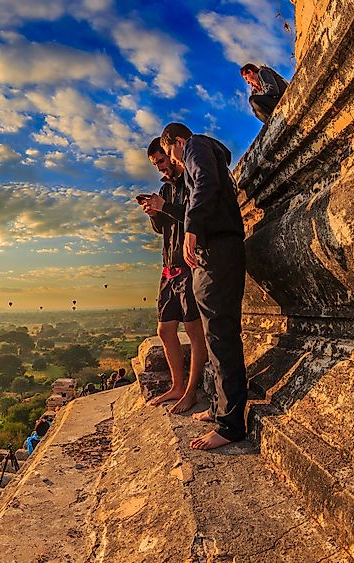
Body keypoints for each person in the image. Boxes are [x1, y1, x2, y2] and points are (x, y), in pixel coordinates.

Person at [160, 122, 247, 451]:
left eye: (171, 154)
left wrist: (192, 228)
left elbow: (205, 184)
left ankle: (231, 424)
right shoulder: (206, 153)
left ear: (178, 142)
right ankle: (220, 407)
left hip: (218, 248)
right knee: (214, 334)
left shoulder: (195, 145)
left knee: (221, 334)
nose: (176, 163)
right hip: (217, 250)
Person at [140, 138, 208, 414]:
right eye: (156, 164)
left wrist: (164, 206)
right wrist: (155, 212)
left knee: (193, 330)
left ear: (170, 155)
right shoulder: (165, 189)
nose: (160, 168)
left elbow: (194, 216)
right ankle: (177, 385)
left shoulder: (190, 183)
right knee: (165, 329)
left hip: (189, 265)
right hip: (169, 268)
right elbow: (163, 228)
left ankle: (191, 391)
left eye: (161, 161)